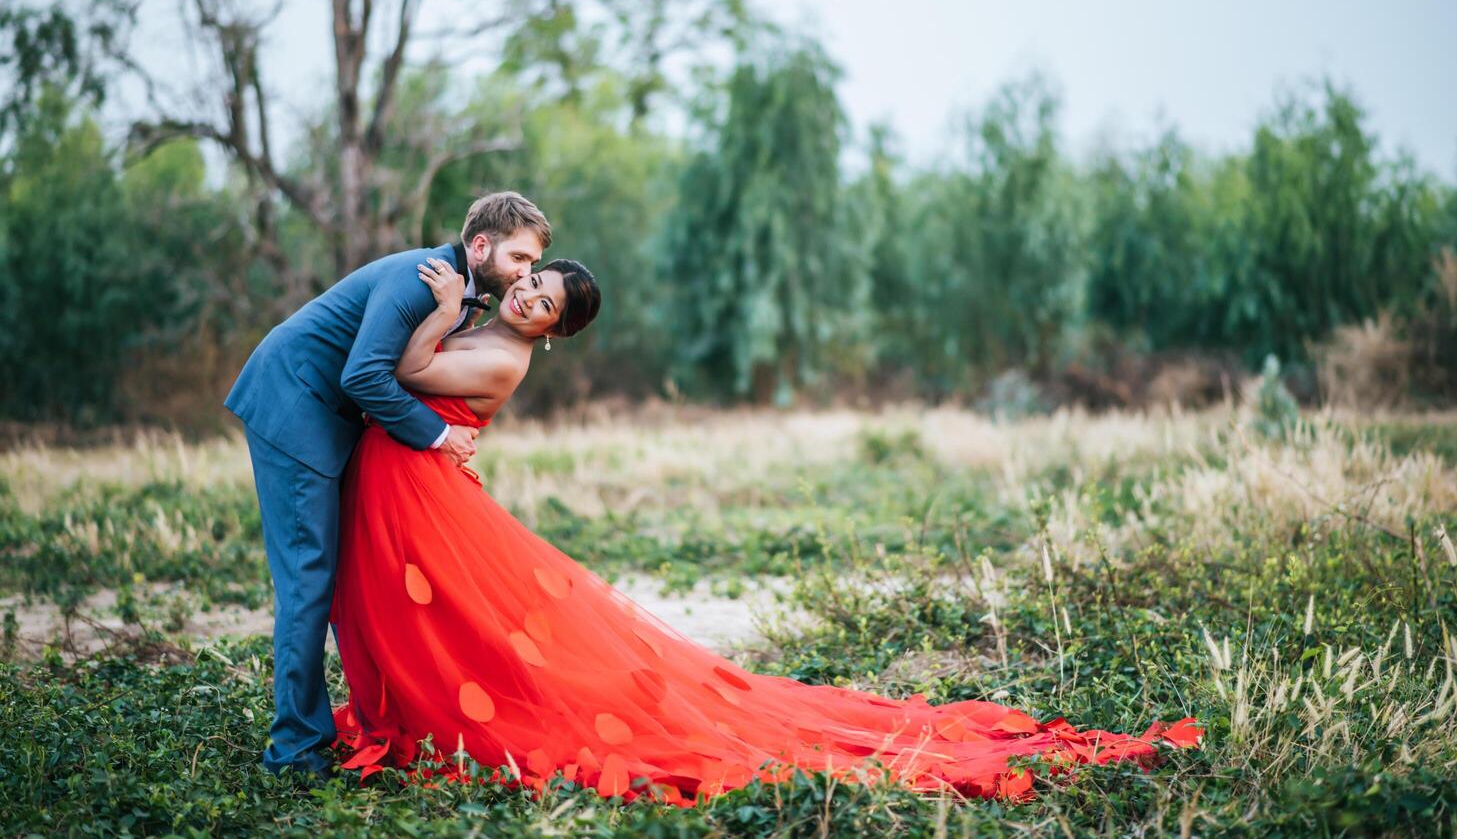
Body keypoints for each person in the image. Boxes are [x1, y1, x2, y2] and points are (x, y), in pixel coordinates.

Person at [328, 257, 1200, 803]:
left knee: (456, 618)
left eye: (543, 301)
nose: (526, 294)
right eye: (531, 280)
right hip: (413, 479)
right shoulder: (498, 326)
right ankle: (409, 703)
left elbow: (399, 368)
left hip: (421, 487)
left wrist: (443, 304)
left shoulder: (498, 350)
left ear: (553, 333)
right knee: (432, 613)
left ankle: (426, 714)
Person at [224, 192, 553, 778]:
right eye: (521, 259)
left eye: (533, 265)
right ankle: (295, 751)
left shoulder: (459, 295)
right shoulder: (420, 280)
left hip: (326, 416)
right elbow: (364, 376)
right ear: (480, 246)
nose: (527, 275)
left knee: (336, 576)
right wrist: (438, 436)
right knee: (308, 579)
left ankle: (354, 718)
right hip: (294, 405)